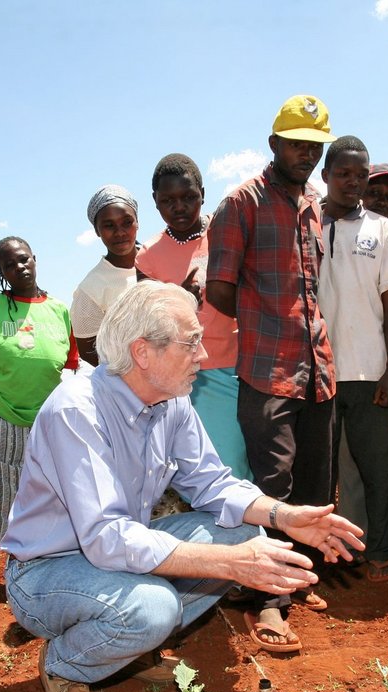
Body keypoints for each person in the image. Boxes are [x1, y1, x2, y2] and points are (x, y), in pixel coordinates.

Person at [2, 281, 364, 692]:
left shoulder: (171, 401)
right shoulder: (77, 411)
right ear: (142, 352)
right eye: (191, 342)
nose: (204, 355)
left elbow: (213, 483)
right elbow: (108, 538)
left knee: (243, 532)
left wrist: (285, 516)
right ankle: (65, 665)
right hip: (46, 573)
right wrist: (228, 564)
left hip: (110, 555)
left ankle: (129, 650)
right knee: (156, 607)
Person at [206, 94, 336, 646]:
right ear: (274, 143)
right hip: (265, 367)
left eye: (314, 146)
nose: (305, 153)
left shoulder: (314, 203)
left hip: (318, 367)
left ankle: (299, 577)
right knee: (271, 487)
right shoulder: (242, 203)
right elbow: (219, 289)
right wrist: (267, 320)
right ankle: (268, 601)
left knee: (313, 482)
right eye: (296, 143)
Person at [0, 236, 79, 615]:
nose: (19, 268)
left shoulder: (59, 311)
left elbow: (70, 366)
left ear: (35, 259)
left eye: (23, 260)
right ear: (1, 272)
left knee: (48, 494)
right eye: (9, 265)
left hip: (44, 418)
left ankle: (41, 571)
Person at [317, 141, 388, 582]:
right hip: (317, 371)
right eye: (343, 173)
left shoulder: (385, 230)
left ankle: (382, 549)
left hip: (371, 369)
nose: (352, 182)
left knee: (380, 470)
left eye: (360, 174)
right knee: (327, 474)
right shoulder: (306, 225)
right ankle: (335, 551)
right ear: (326, 175)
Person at [136, 153, 251, 479]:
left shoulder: (225, 233)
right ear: (155, 203)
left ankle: (252, 527)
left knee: (243, 462)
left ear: (202, 192)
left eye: (188, 197)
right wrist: (179, 301)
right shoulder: (147, 257)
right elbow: (148, 320)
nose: (180, 207)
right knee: (214, 468)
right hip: (186, 375)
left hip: (239, 365)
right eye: (168, 200)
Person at [71, 185, 140, 366]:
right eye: (109, 225)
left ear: (137, 221)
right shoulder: (90, 290)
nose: (120, 232)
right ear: (97, 230)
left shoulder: (158, 261)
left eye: (127, 222)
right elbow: (89, 354)